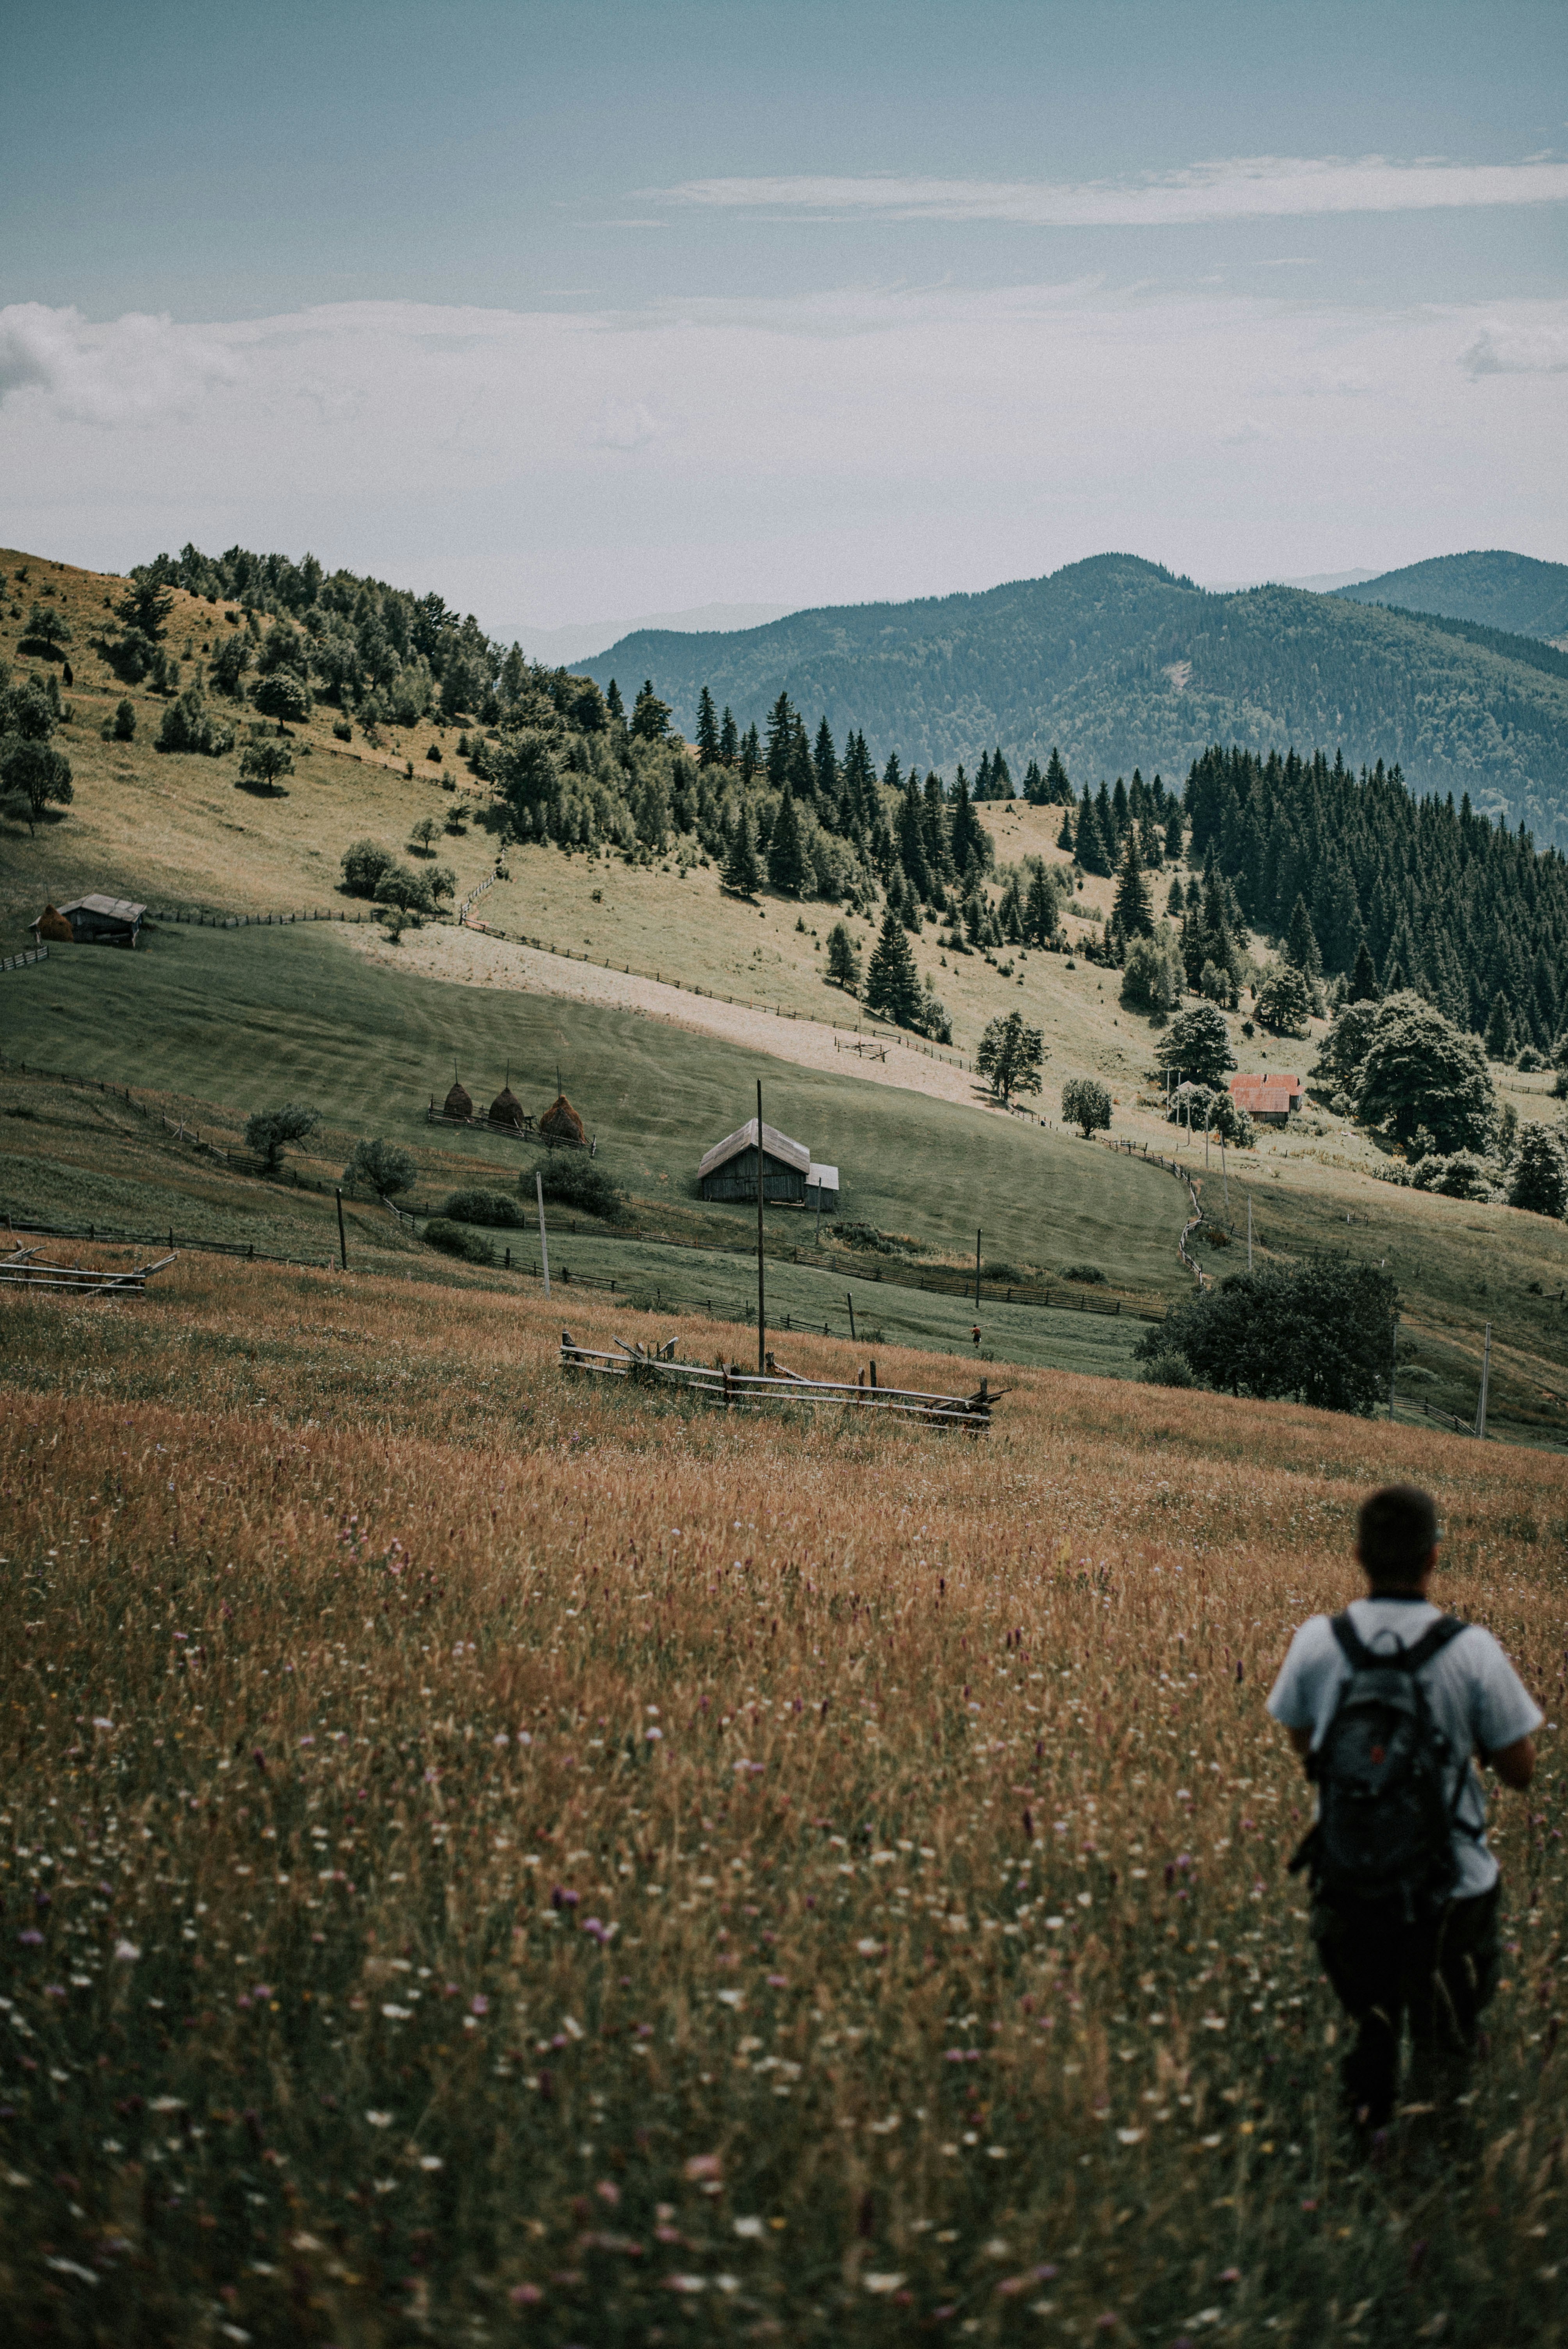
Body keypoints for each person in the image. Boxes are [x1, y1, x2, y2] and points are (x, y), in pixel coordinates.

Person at [1267, 1483, 1541, 2128]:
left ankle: (1366, 2148)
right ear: (1434, 1558)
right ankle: (1436, 2165)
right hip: (1453, 1884)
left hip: (1351, 1875)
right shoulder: (1472, 1651)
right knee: (1446, 2042)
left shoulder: (1317, 1641)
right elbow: (1522, 1771)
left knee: (1374, 2023)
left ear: (1358, 1553)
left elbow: (1305, 1744)